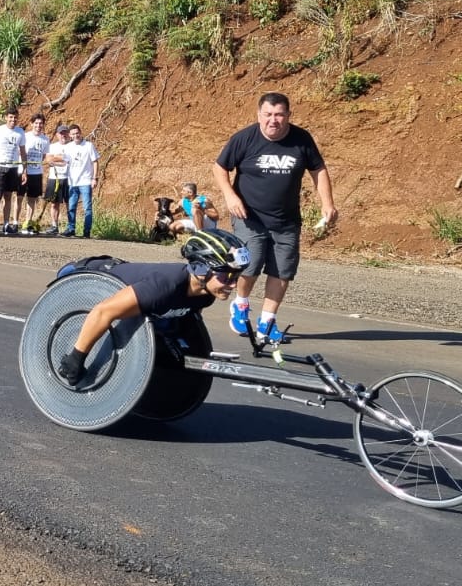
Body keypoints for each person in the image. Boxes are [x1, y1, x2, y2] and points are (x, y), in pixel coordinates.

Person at [212, 92, 338, 345]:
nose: (273, 120)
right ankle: (241, 304)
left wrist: (328, 203)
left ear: (288, 116)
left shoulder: (301, 139)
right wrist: (230, 196)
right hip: (249, 216)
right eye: (268, 115)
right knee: (251, 262)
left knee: (282, 271)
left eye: (279, 115)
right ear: (259, 115)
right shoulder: (245, 138)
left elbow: (318, 170)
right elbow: (220, 167)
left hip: (286, 221)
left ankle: (267, 322)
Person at [55, 228, 251, 384]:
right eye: (226, 277)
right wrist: (76, 358)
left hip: (131, 289)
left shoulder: (205, 296)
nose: (233, 285)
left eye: (236, 276)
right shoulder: (164, 287)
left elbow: (176, 319)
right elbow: (102, 312)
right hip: (81, 276)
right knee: (113, 312)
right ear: (201, 270)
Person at [0, 109, 26, 235]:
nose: (13, 120)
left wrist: (24, 170)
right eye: (11, 117)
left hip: (13, 168)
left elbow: (23, 152)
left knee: (8, 196)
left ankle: (6, 224)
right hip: (0, 167)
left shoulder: (20, 132)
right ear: (6, 117)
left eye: (15, 118)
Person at [61, 124, 99, 238]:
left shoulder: (88, 145)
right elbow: (65, 161)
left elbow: (95, 162)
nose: (76, 135)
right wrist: (53, 162)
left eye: (77, 133)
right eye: (73, 134)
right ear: (70, 135)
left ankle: (86, 231)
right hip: (73, 182)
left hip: (86, 181)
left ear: (80, 133)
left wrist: (94, 178)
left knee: (87, 208)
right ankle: (71, 228)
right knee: (71, 207)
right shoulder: (68, 147)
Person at [17, 113, 51, 234]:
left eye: (41, 123)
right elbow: (20, 152)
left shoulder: (45, 139)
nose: (38, 125)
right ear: (32, 124)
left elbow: (43, 156)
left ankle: (27, 222)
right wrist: (24, 169)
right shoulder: (25, 136)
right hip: (23, 171)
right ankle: (15, 222)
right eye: (36, 123)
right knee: (19, 197)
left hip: (37, 172)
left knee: (32, 199)